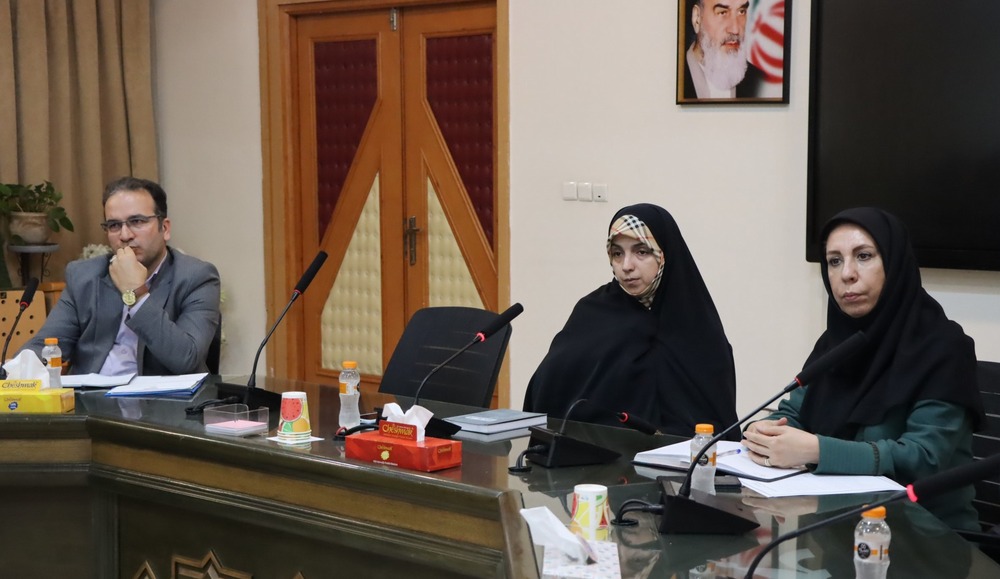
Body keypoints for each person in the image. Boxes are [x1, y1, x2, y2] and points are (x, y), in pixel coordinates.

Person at [743, 207, 985, 530]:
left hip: (927, 537)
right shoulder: (838, 343)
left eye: (864, 256)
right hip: (837, 527)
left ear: (894, 263)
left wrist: (817, 451)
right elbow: (795, 412)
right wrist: (767, 432)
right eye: (834, 261)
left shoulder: (944, 346)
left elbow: (922, 458)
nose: (847, 274)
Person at [523, 203, 739, 439]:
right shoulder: (593, 313)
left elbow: (717, 425)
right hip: (596, 456)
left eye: (642, 252)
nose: (626, 266)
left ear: (664, 254)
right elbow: (547, 393)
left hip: (681, 459)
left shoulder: (698, 327)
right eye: (617, 254)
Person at [21, 177, 221, 376]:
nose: (125, 235)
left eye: (137, 221)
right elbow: (46, 346)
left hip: (161, 395)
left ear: (165, 228)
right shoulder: (84, 276)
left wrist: (136, 294)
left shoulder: (196, 277)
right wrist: (18, 370)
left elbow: (186, 359)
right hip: (91, 394)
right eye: (114, 225)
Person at [682, 0, 767, 100]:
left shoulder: (762, 84)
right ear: (697, 18)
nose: (735, 30)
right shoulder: (671, 80)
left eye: (741, 11)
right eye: (722, 13)